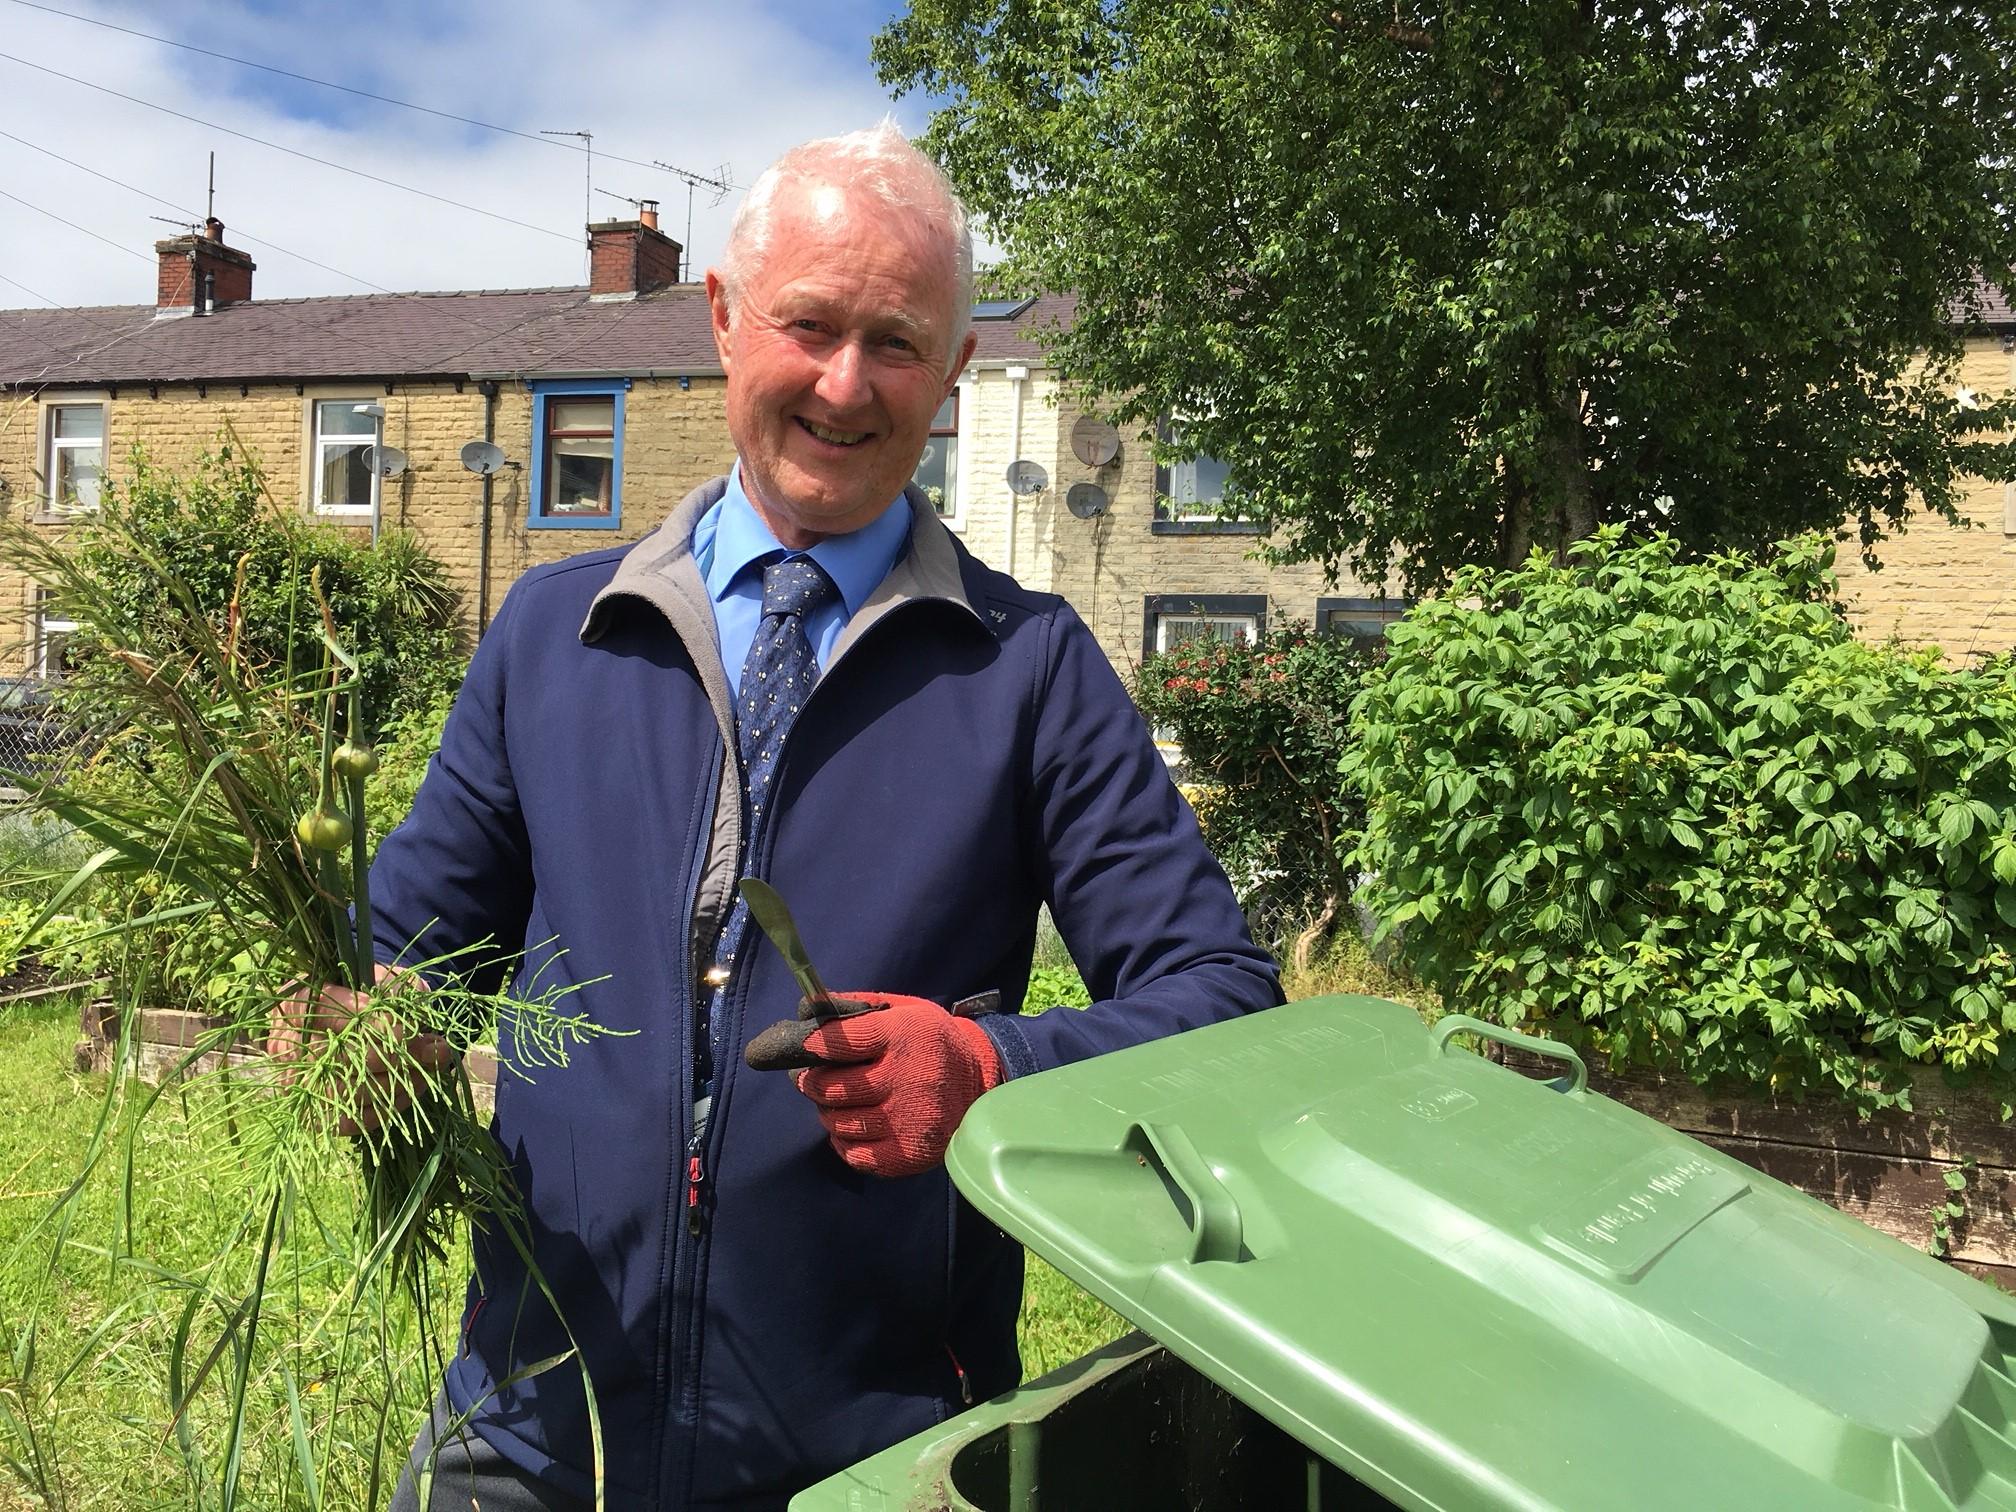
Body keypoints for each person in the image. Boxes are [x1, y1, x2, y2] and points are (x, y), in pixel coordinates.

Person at [307, 123, 1280, 1510]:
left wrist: (990, 1067)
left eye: (897, 343)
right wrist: (363, 1019)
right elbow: (409, 952)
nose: (845, 383)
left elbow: (1223, 997)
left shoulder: (1029, 670)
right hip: (532, 1425)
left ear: (953, 376)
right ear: (722, 318)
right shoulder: (553, 635)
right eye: (809, 325)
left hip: (869, 1455)